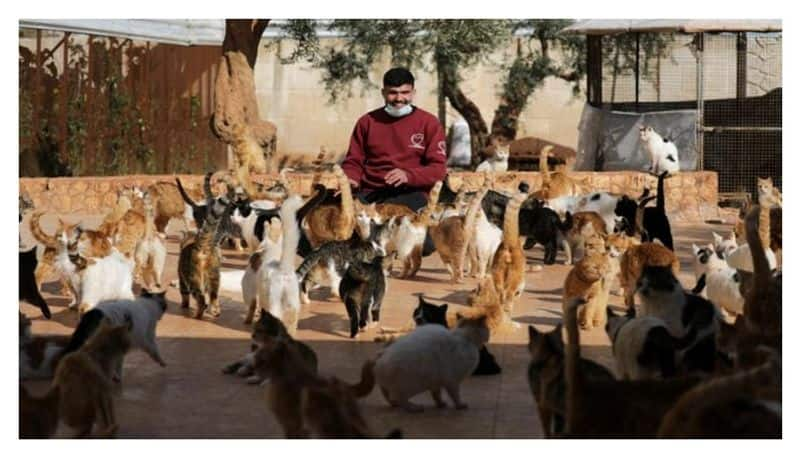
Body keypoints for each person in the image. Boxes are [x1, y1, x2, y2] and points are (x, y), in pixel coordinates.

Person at [341, 67, 447, 212]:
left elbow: (438, 169)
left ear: (413, 93)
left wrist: (408, 175)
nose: (399, 98)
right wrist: (350, 179)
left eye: (405, 93)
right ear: (383, 93)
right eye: (393, 93)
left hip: (412, 193)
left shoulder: (429, 123)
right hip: (372, 192)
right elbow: (353, 161)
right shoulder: (367, 122)